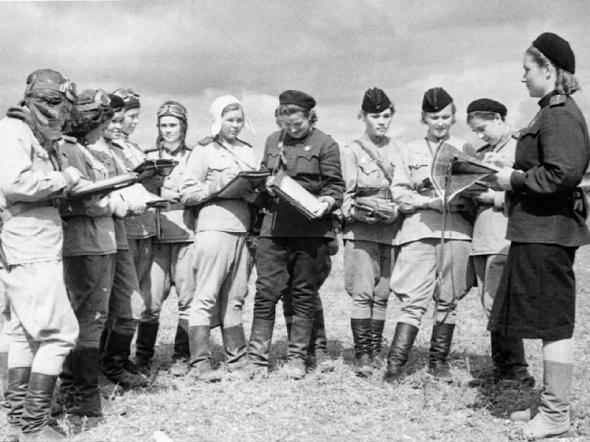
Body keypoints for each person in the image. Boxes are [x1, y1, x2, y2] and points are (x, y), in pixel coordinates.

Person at [487, 32, 590, 440]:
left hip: (549, 234)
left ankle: (555, 413)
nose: (523, 77)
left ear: (548, 69)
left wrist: (512, 179)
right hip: (538, 232)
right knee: (548, 323)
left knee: (554, 326)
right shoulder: (549, 112)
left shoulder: (560, 115)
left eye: (527, 69)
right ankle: (549, 405)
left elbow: (562, 174)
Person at [0, 69, 81, 440]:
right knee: (59, 334)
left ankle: (18, 421)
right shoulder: (14, 131)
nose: (62, 115)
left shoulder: (31, 132)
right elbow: (16, 182)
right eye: (59, 105)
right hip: (29, 240)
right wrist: (64, 179)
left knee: (24, 333)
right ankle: (34, 426)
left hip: (33, 240)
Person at [246, 90, 345, 380]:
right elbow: (264, 174)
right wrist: (263, 184)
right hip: (274, 228)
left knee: (303, 293)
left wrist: (328, 201)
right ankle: (256, 360)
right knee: (266, 292)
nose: (291, 130)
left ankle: (297, 358)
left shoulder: (326, 144)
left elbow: (335, 185)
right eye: (285, 125)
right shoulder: (271, 141)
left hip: (310, 230)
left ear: (311, 117)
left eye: (297, 124)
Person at [384, 87, 474, 383]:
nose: (440, 122)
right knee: (413, 300)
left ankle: (438, 363)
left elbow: (478, 189)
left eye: (445, 117)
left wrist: (463, 200)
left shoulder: (465, 148)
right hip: (419, 231)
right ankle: (395, 365)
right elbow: (399, 192)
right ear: (424, 118)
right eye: (434, 117)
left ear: (453, 117)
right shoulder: (409, 149)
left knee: (448, 298)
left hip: (457, 232)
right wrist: (427, 202)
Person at [55, 89, 127, 429]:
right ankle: (80, 397)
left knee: (93, 319)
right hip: (83, 245)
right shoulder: (69, 148)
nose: (106, 124)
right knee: (83, 320)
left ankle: (78, 392)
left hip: (101, 242)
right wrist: (114, 203)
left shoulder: (86, 149)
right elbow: (76, 199)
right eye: (103, 118)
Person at [181, 95, 256, 381]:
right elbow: (187, 193)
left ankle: (237, 359)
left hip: (243, 229)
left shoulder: (248, 151)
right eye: (229, 120)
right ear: (217, 120)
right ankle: (200, 363)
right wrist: (218, 186)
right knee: (206, 295)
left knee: (236, 296)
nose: (235, 125)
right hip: (214, 228)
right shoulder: (204, 150)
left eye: (239, 120)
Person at [463, 98, 533, 389]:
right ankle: (502, 369)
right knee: (490, 303)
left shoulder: (522, 147)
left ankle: (517, 371)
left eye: (483, 128)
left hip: (504, 233)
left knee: (501, 304)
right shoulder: (481, 153)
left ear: (499, 118)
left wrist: (497, 198)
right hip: (482, 236)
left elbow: (533, 187)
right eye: (476, 131)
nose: (480, 135)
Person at [87, 98, 150, 389]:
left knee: (132, 304)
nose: (116, 125)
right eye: (110, 120)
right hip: (94, 236)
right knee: (96, 311)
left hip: (119, 233)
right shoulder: (82, 149)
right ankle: (92, 375)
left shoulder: (116, 151)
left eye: (118, 119)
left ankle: (114, 364)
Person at [341, 88, 402, 376]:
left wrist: (398, 209)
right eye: (375, 116)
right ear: (363, 117)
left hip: (392, 228)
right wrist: (358, 212)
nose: (382, 122)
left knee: (383, 292)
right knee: (362, 293)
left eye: (386, 116)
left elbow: (406, 188)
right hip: (362, 229)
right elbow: (345, 195)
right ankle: (363, 354)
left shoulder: (399, 149)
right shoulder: (351, 151)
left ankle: (376, 350)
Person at [135, 101, 196, 376]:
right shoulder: (146, 156)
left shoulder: (195, 156)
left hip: (185, 235)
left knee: (188, 300)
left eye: (173, 125)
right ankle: (142, 357)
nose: (168, 130)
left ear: (183, 127)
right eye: (163, 125)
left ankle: (182, 355)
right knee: (150, 302)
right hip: (156, 238)